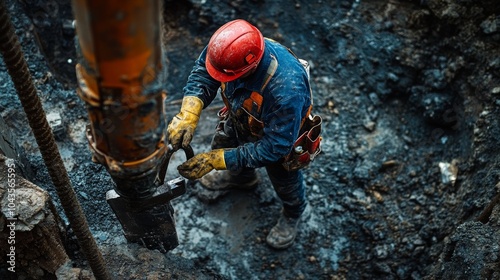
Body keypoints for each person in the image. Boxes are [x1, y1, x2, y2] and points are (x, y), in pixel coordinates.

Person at [168, 19, 317, 249]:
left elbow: (275, 147)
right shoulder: (227, 49)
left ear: (246, 70)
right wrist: (189, 112)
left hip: (280, 138)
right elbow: (204, 73)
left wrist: (217, 160)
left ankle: (293, 212)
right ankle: (242, 179)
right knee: (226, 142)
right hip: (242, 118)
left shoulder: (287, 91)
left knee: (284, 179)